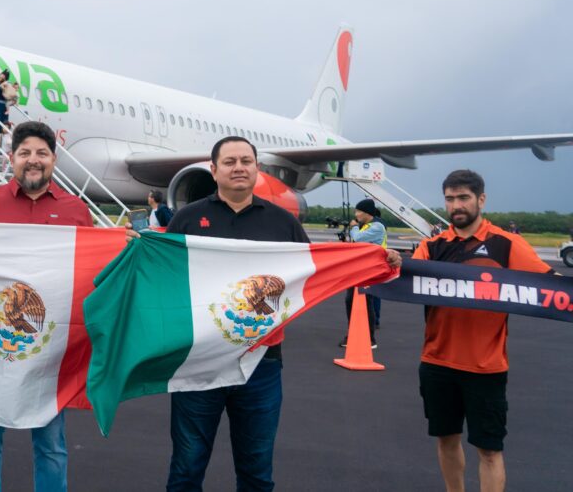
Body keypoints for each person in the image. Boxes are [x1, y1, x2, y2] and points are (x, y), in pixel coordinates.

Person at [129, 137, 402, 492]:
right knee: (186, 467)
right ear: (214, 170)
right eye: (229, 161)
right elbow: (162, 272)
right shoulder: (188, 218)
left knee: (257, 471)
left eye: (246, 160)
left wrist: (377, 262)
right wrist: (137, 249)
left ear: (257, 168)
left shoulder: (281, 222)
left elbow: (319, 267)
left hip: (262, 364)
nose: (239, 167)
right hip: (198, 362)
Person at [0, 121, 92, 492]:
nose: (33, 161)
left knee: (51, 445)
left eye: (41, 153)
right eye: (24, 153)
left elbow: (91, 269)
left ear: (53, 159)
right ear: (11, 158)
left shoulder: (76, 211)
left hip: (47, 353)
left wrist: (121, 245)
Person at [413, 169, 556, 492]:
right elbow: (401, 277)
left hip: (485, 367)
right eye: (450, 199)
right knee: (446, 439)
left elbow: (553, 288)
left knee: (490, 450)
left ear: (481, 199)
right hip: (436, 363)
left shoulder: (507, 245)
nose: (456, 206)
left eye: (463, 198)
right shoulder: (432, 246)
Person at [339, 198, 386, 348]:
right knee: (350, 301)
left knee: (366, 302)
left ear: (367, 213)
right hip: (358, 269)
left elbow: (358, 238)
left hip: (369, 270)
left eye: (358, 211)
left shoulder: (377, 227)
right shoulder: (365, 226)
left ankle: (370, 338)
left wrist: (353, 227)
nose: (356, 214)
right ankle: (353, 333)